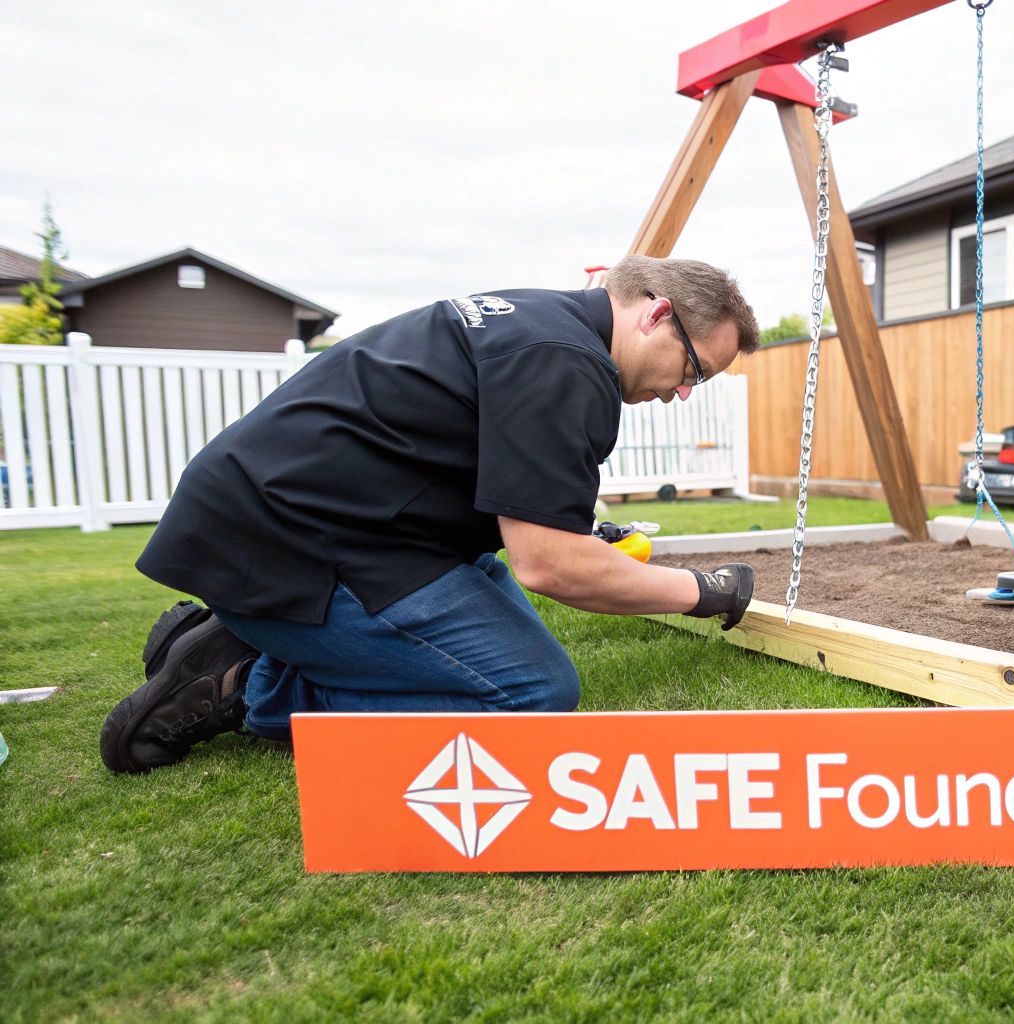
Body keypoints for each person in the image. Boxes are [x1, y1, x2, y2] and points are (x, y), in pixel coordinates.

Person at [100, 256, 761, 774]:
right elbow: (549, 565)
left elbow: (502, 491)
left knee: (504, 636)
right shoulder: (567, 363)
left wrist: (582, 535)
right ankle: (245, 685)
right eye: (694, 370)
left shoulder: (540, 322)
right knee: (530, 694)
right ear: (657, 313)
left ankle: (246, 634)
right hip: (294, 541)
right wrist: (702, 591)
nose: (683, 393)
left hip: (311, 522)